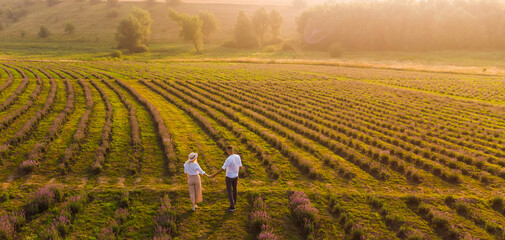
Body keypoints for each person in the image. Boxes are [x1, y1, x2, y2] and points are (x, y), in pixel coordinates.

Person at [210, 146, 243, 212]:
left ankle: (232, 206)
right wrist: (238, 174)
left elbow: (222, 169)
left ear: (228, 151)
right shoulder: (238, 156)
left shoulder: (228, 159)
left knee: (229, 191)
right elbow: (240, 167)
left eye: (227, 150)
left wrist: (214, 175)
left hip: (229, 177)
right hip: (235, 176)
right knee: (235, 189)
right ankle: (234, 203)